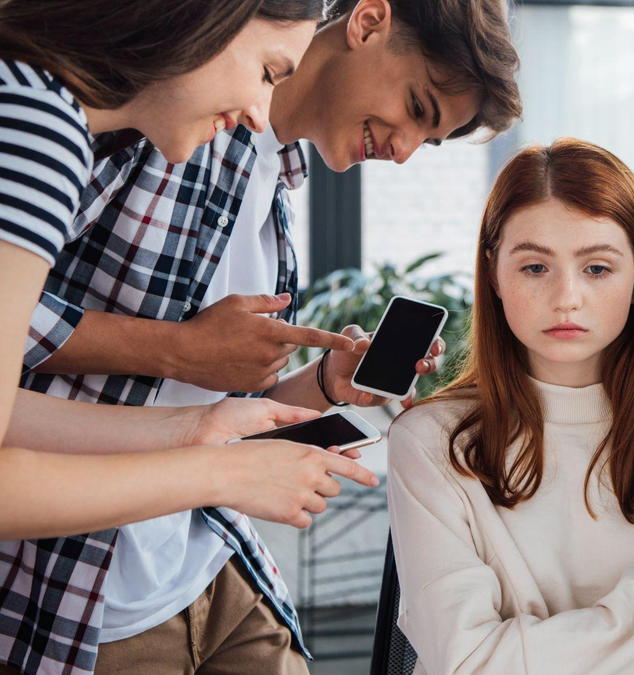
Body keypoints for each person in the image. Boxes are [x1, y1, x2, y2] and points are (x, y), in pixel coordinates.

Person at [8, 0, 519, 671]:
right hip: (96, 589)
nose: (402, 153)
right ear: (368, 23)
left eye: (428, 141)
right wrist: (173, 347)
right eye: (418, 109)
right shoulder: (158, 115)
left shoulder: (277, 181)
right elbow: (22, 313)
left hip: (214, 561)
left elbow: (207, 412)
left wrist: (327, 384)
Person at [387, 138, 634, 673]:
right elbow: (467, 663)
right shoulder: (432, 440)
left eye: (597, 268)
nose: (566, 297)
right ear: (494, 272)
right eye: (535, 268)